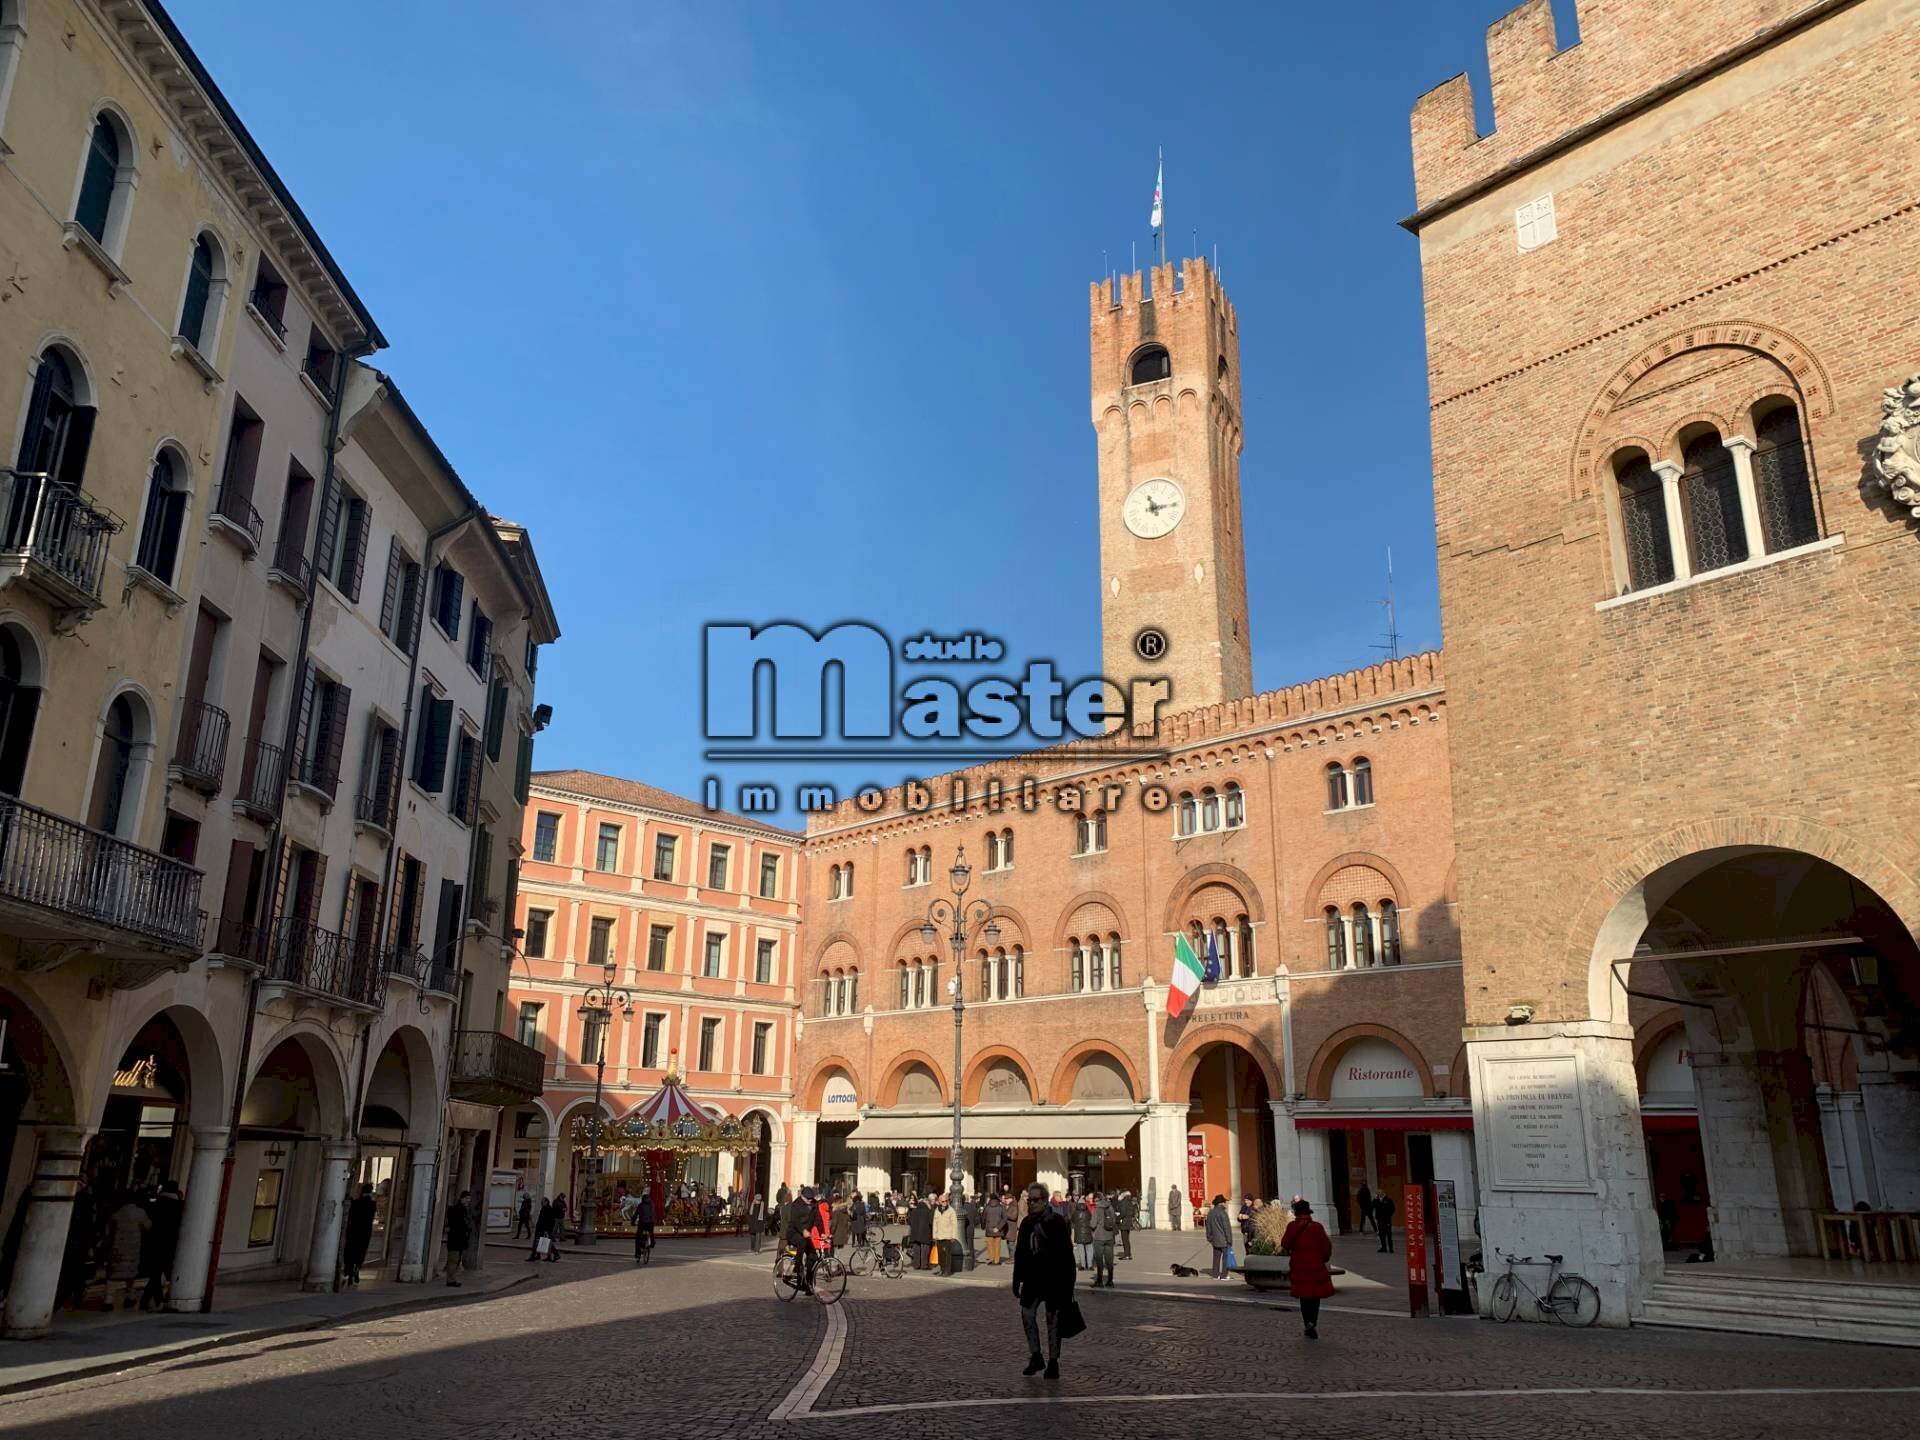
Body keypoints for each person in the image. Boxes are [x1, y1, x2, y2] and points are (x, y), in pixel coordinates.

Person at [1012, 1182, 1075, 1380]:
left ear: (1045, 1200)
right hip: (1032, 1279)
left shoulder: (1056, 1221)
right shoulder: (1026, 1224)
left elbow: (1067, 1255)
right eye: (1029, 1200)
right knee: (1027, 1314)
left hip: (1054, 1278)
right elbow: (1020, 1253)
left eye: (1036, 1200)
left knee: (1053, 1319)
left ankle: (1054, 1361)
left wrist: (1069, 1284)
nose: (1031, 1204)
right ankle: (1036, 1355)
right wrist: (1016, 1279)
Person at [1280, 1199, 1335, 1340]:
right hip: (1316, 1265)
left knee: (1304, 1297)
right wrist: (1324, 1258)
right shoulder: (1317, 1227)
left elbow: (1285, 1244)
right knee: (1315, 1296)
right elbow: (1326, 1246)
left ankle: (1307, 1323)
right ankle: (1313, 1322)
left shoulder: (1292, 1226)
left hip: (1299, 1266)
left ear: (1296, 1212)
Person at [139, 1180, 183, 1311]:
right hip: (170, 1243)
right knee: (167, 1272)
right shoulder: (178, 1206)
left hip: (153, 1242)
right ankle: (160, 1299)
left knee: (155, 1272)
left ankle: (152, 1299)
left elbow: (147, 1224)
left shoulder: (155, 1204)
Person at [106, 1190, 150, 1309]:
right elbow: (148, 1226)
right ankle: (130, 1295)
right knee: (130, 1273)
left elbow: (108, 1232)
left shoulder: (116, 1214)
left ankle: (108, 1299)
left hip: (117, 1247)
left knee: (112, 1273)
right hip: (133, 1248)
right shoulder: (140, 1213)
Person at [341, 1182, 377, 1288]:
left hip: (354, 1230)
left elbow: (351, 1215)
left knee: (350, 1250)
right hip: (365, 1231)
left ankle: (349, 1270)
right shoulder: (372, 1204)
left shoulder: (356, 1203)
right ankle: (357, 1268)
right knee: (361, 1251)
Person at [444, 1190, 472, 1286]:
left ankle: (452, 1278)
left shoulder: (463, 1210)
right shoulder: (457, 1210)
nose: (469, 1200)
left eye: (469, 1199)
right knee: (453, 1259)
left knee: (456, 1260)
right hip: (455, 1239)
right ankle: (450, 1280)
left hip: (459, 1239)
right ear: (462, 1199)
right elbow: (457, 1224)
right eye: (467, 1198)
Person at [1089, 1191, 1116, 1288]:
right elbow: (1114, 1220)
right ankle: (1110, 1280)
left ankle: (1099, 1281)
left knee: (1099, 1260)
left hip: (1099, 1238)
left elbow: (1092, 1224)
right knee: (1109, 1260)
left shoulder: (1097, 1209)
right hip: (1109, 1237)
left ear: (1096, 1199)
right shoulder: (1110, 1207)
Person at [1205, 1194, 1233, 1279]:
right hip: (1224, 1240)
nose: (1225, 1204)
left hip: (1215, 1240)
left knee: (1216, 1258)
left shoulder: (1210, 1213)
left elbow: (1208, 1227)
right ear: (1221, 1203)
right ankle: (1224, 1275)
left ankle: (1215, 1274)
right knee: (1225, 1258)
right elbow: (1226, 1228)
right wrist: (1229, 1240)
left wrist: (1210, 1238)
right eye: (1225, 1202)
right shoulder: (1223, 1213)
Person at [933, 1193, 960, 1275]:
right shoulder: (937, 1210)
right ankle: (942, 1269)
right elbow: (935, 1223)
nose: (945, 1202)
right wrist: (934, 1235)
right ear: (939, 1202)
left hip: (948, 1236)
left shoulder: (951, 1210)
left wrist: (953, 1236)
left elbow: (954, 1224)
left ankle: (947, 1271)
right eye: (943, 1201)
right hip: (939, 1236)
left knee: (947, 1254)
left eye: (946, 1201)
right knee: (940, 1254)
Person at [907, 1192, 933, 1270]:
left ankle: (916, 1264)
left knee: (916, 1248)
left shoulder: (914, 1211)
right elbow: (931, 1222)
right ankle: (924, 1265)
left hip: (915, 1233)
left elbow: (909, 1222)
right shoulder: (928, 1211)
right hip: (925, 1232)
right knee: (925, 1248)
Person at [1070, 1192, 1094, 1270]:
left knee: (1081, 1251)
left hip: (1079, 1234)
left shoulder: (1075, 1213)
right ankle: (1090, 1265)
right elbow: (1091, 1221)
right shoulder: (1088, 1212)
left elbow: (1072, 1221)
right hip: (1088, 1233)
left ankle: (1083, 1265)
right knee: (1089, 1249)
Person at [983, 1191, 1007, 1265]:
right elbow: (1005, 1218)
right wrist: (998, 1227)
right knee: (997, 1245)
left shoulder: (987, 1207)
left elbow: (983, 1217)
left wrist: (983, 1226)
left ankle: (991, 1259)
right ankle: (996, 1260)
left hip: (989, 1228)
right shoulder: (1001, 1207)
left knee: (990, 1245)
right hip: (998, 1230)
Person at [634, 1191, 656, 1263]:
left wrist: (633, 1221)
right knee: (651, 1232)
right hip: (650, 1223)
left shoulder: (641, 1205)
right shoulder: (652, 1204)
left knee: (638, 1237)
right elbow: (653, 1213)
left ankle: (637, 1254)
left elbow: (636, 1214)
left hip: (642, 1223)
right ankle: (652, 1242)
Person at [1117, 1189, 1136, 1260]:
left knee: (1125, 1240)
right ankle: (1128, 1254)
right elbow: (1133, 1213)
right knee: (1127, 1239)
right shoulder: (1130, 1202)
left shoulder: (1124, 1202)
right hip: (1129, 1223)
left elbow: (1123, 1213)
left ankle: (1127, 1254)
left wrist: (1117, 1218)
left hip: (1124, 1223)